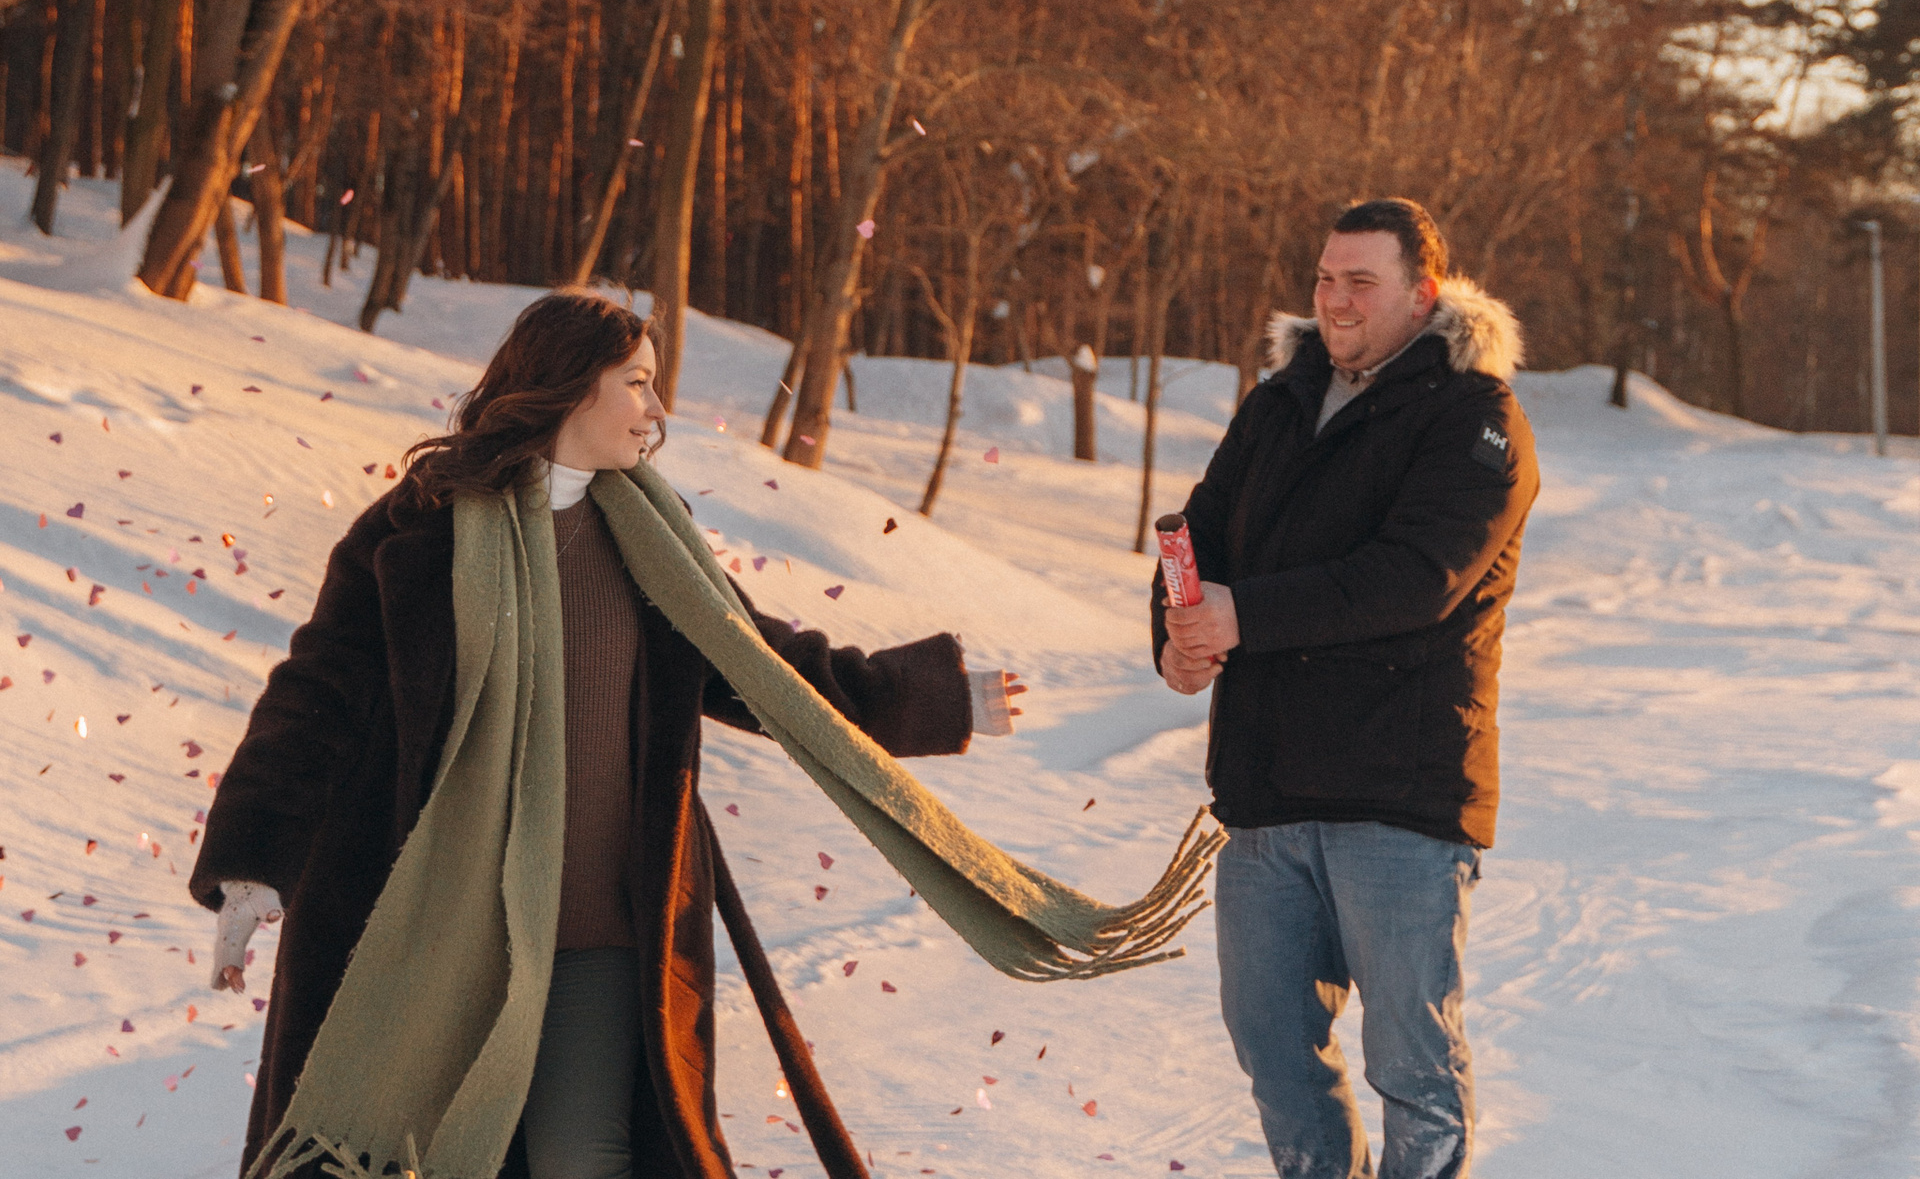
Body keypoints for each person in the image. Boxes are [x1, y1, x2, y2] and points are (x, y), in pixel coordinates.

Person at [190, 291, 1021, 1179]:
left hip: (602, 931)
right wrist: (251, 860)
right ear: (570, 386)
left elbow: (765, 670)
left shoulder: (651, 540)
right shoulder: (418, 533)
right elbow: (315, 696)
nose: (657, 409)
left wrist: (932, 697)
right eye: (637, 382)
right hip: (439, 936)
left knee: (583, 1157)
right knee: (409, 1158)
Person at [1153, 198, 1539, 1179]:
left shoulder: (1475, 417)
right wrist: (1175, 636)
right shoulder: (1278, 402)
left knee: (1411, 1060)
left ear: (1423, 293)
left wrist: (1243, 616)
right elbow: (1199, 534)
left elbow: (1416, 577)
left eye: (1361, 281)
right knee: (1272, 1043)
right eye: (1326, 279)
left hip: (1398, 796)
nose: (1335, 299)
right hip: (1267, 791)